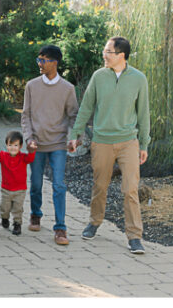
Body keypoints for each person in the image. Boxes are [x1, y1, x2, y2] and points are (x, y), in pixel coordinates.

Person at [68, 36, 149, 254]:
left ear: (121, 55)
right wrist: (76, 134)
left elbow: (143, 113)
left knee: (131, 189)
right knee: (100, 185)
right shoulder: (98, 76)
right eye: (104, 51)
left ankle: (134, 236)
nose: (104, 55)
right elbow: (86, 106)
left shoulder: (139, 79)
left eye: (108, 51)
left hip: (128, 142)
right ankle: (94, 222)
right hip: (102, 140)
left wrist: (144, 144)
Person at [21, 44, 78, 246]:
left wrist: (73, 138)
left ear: (55, 62)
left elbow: (73, 117)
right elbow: (25, 115)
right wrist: (29, 138)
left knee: (59, 185)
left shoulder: (68, 89)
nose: (40, 63)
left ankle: (60, 228)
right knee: (36, 184)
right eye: (39, 59)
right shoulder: (31, 86)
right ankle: (35, 214)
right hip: (36, 144)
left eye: (43, 60)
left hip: (58, 145)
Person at [0, 129, 36, 235]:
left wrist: (32, 150)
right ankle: (4, 218)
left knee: (18, 208)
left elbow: (31, 159)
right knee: (4, 207)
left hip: (20, 190)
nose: (13, 148)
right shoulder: (3, 156)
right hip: (6, 189)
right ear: (6, 145)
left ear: (21, 146)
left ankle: (17, 224)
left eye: (16, 145)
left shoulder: (23, 157)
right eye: (10, 145)